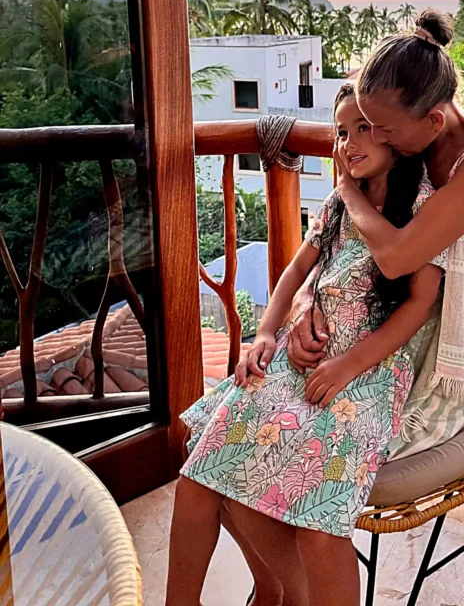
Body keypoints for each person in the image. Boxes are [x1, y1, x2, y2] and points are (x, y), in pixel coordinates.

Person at [165, 84, 446, 606]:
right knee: (200, 471)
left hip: (368, 373)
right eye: (342, 131)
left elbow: (418, 304)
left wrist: (347, 366)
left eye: (364, 128)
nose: (349, 142)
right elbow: (298, 268)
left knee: (319, 523)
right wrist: (266, 332)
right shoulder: (341, 199)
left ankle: (287, 590)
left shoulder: (423, 205)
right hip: (304, 358)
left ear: (393, 135)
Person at [284, 9, 464, 460]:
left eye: (384, 130)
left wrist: (344, 186)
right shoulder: (411, 149)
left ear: (434, 120)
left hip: (440, 367)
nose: (377, 139)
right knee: (258, 430)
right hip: (372, 335)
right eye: (371, 126)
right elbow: (339, 246)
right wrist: (304, 300)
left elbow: (395, 258)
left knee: (301, 448)